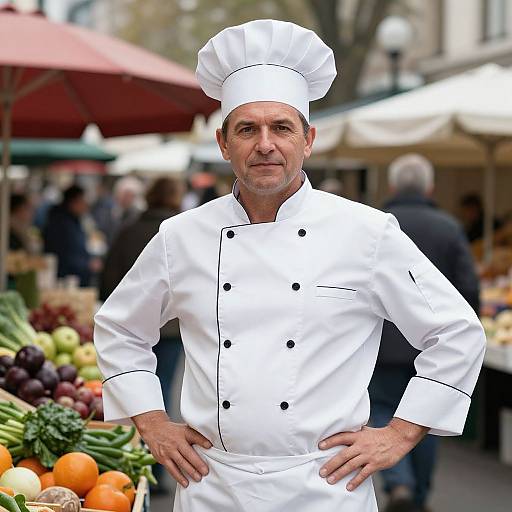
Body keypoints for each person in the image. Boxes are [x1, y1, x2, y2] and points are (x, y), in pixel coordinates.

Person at [94, 20, 485, 512]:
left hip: (322, 486)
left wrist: (402, 433)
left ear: (308, 139)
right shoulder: (181, 236)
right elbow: (118, 328)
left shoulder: (367, 232)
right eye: (247, 129)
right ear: (223, 143)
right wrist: (150, 421)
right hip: (212, 484)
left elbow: (457, 333)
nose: (265, 144)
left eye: (281, 127)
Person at [369, 154, 480, 512]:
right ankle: (418, 494)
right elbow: (468, 288)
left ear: (391, 186)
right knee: (424, 418)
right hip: (433, 346)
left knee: (385, 411)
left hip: (382, 345)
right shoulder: (448, 227)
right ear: (430, 188)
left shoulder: (373, 227)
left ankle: (399, 484)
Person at [98, 178, 184, 493]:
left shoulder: (129, 229)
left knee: (142, 396)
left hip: (144, 323)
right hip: (173, 332)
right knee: (158, 390)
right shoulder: (177, 232)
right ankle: (158, 472)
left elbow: (108, 275)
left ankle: (146, 464)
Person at [43, 185, 99, 287]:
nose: (86, 205)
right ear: (73, 202)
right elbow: (63, 255)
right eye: (83, 201)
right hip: (65, 280)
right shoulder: (60, 223)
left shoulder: (73, 220)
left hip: (75, 276)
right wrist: (87, 265)